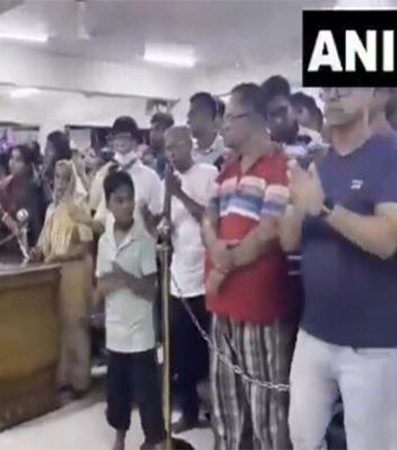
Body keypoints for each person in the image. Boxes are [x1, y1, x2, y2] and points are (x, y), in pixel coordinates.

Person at [283, 87, 397, 450]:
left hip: (372, 343)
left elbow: (387, 239)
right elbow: (288, 241)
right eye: (328, 85)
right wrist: (294, 203)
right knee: (302, 437)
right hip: (313, 333)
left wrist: (323, 207)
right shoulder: (318, 163)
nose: (334, 93)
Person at [202, 83, 293, 450]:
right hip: (221, 306)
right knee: (226, 406)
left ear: (253, 119)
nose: (222, 125)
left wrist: (222, 267)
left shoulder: (281, 166)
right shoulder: (227, 169)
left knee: (266, 411)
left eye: (229, 117)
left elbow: (268, 232)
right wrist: (215, 246)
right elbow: (208, 217)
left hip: (259, 308)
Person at [95, 170, 166, 450]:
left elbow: (149, 289)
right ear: (109, 204)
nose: (126, 205)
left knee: (147, 393)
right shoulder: (104, 241)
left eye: (130, 199)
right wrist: (109, 284)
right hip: (115, 329)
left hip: (140, 332)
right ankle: (120, 436)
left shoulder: (144, 240)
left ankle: (154, 439)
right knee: (117, 392)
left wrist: (123, 277)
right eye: (119, 200)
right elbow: (102, 283)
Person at [162, 126, 217, 433]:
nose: (171, 153)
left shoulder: (208, 174)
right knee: (181, 351)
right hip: (178, 276)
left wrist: (179, 193)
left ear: (189, 144)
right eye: (167, 148)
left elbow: (210, 217)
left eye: (176, 146)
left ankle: (216, 409)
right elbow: (167, 225)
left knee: (207, 350)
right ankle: (189, 411)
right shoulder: (168, 180)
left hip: (206, 275)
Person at [29, 160, 93, 401]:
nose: (60, 183)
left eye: (66, 178)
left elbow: (85, 247)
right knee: (60, 328)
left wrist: (60, 256)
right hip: (54, 273)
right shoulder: (51, 209)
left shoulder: (79, 207)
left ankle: (80, 380)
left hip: (74, 272)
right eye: (57, 177)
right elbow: (45, 242)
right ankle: (63, 378)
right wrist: (38, 251)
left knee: (76, 327)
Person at [87, 116, 163, 236]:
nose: (121, 142)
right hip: (109, 241)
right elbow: (95, 211)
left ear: (135, 141)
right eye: (117, 137)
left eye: (126, 137)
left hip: (140, 241)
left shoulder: (150, 177)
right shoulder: (103, 174)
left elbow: (157, 216)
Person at [0, 144, 44, 251]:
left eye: (18, 160)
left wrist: (3, 215)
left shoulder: (32, 190)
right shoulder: (8, 184)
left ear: (28, 165)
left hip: (25, 248)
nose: (12, 163)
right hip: (6, 244)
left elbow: (24, 230)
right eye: (11, 158)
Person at [261, 75, 323, 162]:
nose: (279, 119)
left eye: (282, 111)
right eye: (273, 115)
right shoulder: (262, 148)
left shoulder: (313, 140)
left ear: (292, 107)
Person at [187, 92, 228, 169]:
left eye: (192, 113)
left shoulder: (226, 152)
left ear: (207, 116)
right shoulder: (187, 152)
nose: (188, 120)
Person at [149, 111, 175, 178]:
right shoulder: (152, 161)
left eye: (156, 129)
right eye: (151, 130)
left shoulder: (176, 162)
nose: (151, 134)